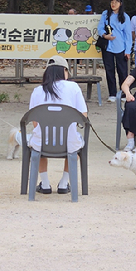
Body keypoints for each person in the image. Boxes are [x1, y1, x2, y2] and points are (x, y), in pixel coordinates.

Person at [28, 55, 88, 195]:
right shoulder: (73, 87)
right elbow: (83, 116)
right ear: (64, 71)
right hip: (68, 142)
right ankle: (63, 183)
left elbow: (34, 122)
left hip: (43, 143)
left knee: (38, 138)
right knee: (76, 142)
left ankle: (45, 183)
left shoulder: (37, 90)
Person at [97, 0, 132, 102]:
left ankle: (123, 93)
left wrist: (128, 50)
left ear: (120, 4)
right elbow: (100, 27)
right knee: (109, 70)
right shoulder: (105, 14)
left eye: (116, 2)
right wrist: (104, 35)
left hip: (121, 47)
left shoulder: (125, 17)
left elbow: (128, 35)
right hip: (107, 47)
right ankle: (112, 94)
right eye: (112, 1)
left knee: (122, 71)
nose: (113, 4)